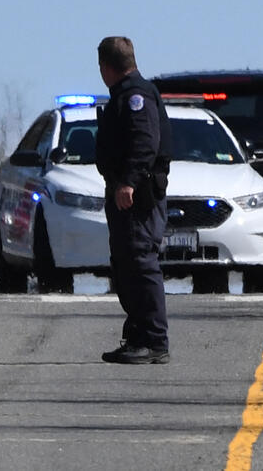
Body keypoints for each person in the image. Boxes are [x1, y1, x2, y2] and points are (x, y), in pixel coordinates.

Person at [94, 36, 172, 364]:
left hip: (138, 197)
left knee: (140, 263)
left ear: (106, 67)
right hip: (125, 195)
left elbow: (144, 142)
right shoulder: (124, 95)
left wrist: (127, 182)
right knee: (126, 266)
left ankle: (155, 340)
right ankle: (138, 335)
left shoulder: (136, 96)